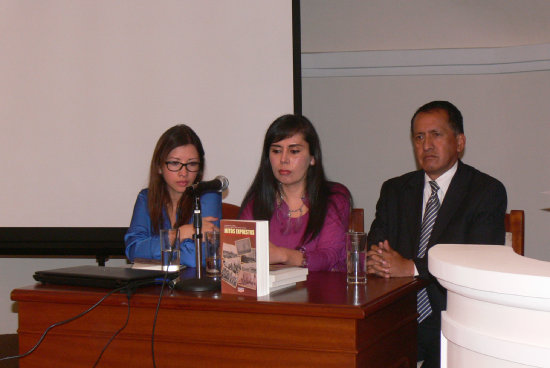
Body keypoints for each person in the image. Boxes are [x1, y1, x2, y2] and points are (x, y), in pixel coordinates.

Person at [366, 101, 507, 368]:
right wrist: (381, 260)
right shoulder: (395, 189)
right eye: (419, 137)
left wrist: (411, 267)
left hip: (453, 317)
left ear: (460, 142)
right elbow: (376, 246)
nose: (426, 145)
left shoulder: (485, 191)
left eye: (436, 134)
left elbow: (478, 260)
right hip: (397, 313)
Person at [239, 114, 352, 271]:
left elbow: (329, 257)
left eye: (294, 151)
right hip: (272, 293)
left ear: (312, 157)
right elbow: (241, 254)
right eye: (276, 151)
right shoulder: (257, 201)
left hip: (322, 292)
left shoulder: (333, 198)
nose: (284, 159)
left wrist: (283, 256)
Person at [125, 124, 222, 267]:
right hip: (153, 286)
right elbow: (133, 251)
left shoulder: (208, 196)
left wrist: (156, 247)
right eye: (175, 163)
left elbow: (195, 258)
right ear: (159, 166)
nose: (184, 173)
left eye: (192, 164)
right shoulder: (146, 198)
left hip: (192, 286)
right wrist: (179, 234)